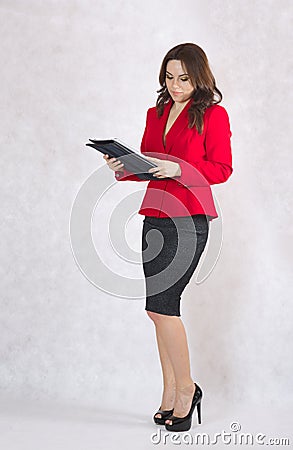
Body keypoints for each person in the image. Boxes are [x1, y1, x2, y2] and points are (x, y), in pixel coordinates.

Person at [104, 43, 233, 432]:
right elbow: (147, 164)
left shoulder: (212, 114)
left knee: (164, 306)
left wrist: (176, 169)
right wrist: (122, 168)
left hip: (190, 217)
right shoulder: (155, 112)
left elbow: (222, 168)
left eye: (184, 78)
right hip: (154, 216)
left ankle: (187, 390)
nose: (175, 85)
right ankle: (169, 394)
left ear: (199, 77)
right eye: (169, 77)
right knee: (155, 309)